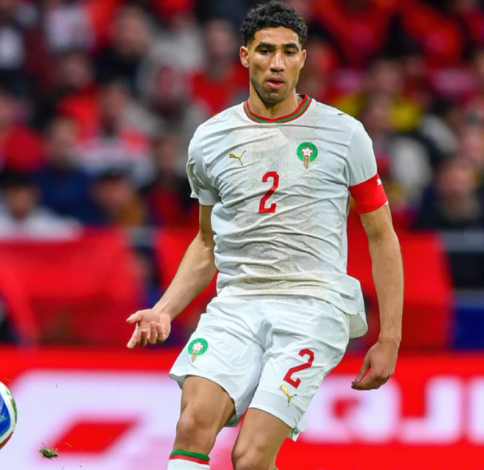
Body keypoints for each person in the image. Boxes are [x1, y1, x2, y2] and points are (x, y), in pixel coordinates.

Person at [124, 3, 404, 470]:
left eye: (289, 52)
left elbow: (382, 236)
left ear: (303, 59)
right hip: (237, 302)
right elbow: (207, 242)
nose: (277, 63)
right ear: (244, 56)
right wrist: (164, 309)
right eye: (266, 50)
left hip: (314, 305)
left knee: (250, 457)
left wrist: (389, 337)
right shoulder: (210, 139)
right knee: (192, 425)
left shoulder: (345, 135)